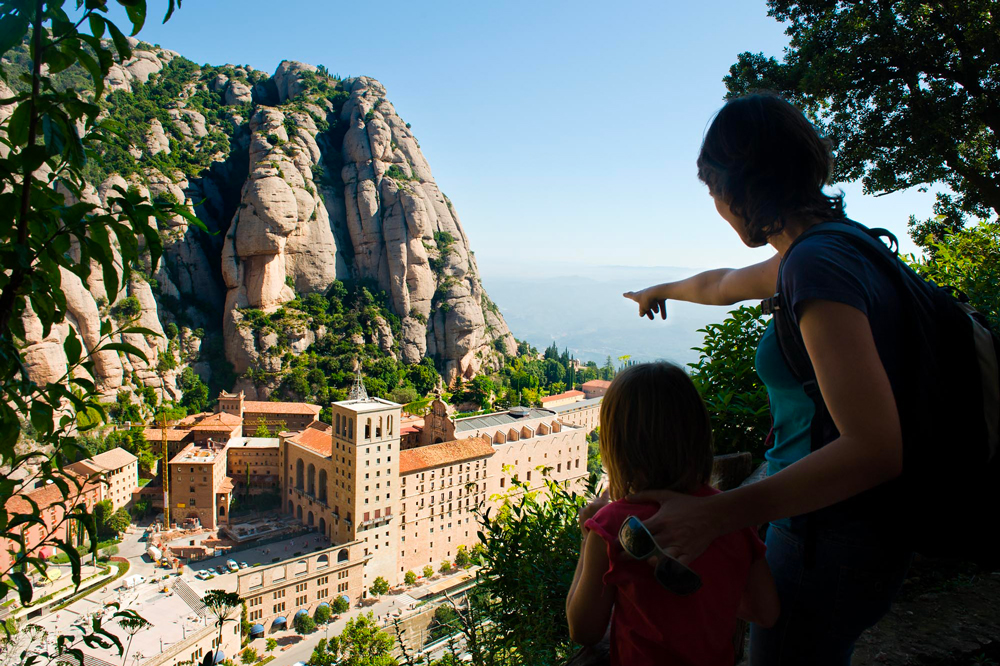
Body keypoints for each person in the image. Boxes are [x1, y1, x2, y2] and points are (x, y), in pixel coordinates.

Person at [622, 92, 914, 665]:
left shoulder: (816, 265)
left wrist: (718, 514)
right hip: (851, 529)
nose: (714, 206)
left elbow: (876, 448)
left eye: (712, 189)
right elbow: (725, 283)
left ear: (741, 185)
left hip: (830, 533)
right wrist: (664, 290)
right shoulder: (839, 243)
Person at [566, 362, 779, 666]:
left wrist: (588, 537)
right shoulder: (727, 516)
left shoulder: (612, 525)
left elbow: (583, 630)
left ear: (617, 444)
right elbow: (766, 612)